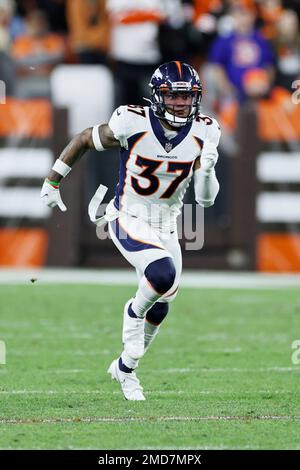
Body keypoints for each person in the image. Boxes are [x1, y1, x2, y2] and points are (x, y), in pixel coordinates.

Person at [41, 61, 221, 401]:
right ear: (157, 96)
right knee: (161, 273)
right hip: (127, 215)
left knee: (162, 304)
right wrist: (53, 180)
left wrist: (208, 171)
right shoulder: (132, 120)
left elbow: (208, 202)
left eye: (188, 97)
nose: (182, 104)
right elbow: (83, 139)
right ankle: (132, 318)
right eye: (173, 96)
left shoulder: (206, 131)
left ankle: (125, 368)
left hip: (167, 225)